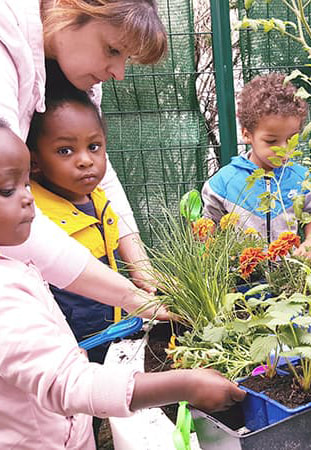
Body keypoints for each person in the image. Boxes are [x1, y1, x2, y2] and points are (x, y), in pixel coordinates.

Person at [0, 121, 246, 449]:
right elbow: (67, 382)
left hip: (64, 430)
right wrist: (184, 384)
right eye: (7, 190)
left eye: (25, 185)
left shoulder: (17, 261)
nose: (29, 200)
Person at [0, 0, 167, 315]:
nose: (118, 73)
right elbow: (3, 199)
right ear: (68, 7)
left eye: (126, 58)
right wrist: (129, 297)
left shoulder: (81, 75)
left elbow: (102, 177)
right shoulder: (5, 37)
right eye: (112, 50)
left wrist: (141, 267)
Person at [28, 66, 166, 365]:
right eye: (65, 151)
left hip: (109, 332)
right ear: (35, 162)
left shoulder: (99, 199)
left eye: (94, 147)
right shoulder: (35, 216)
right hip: (70, 350)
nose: (85, 161)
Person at [201, 72, 311, 257]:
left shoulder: (303, 180)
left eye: (290, 140)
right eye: (271, 141)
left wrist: (310, 245)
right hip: (241, 281)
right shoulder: (224, 184)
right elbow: (207, 231)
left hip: (290, 278)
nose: (282, 149)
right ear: (246, 134)